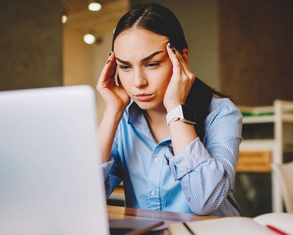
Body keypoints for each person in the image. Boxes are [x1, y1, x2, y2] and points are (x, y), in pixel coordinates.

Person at [97, 3, 242, 216]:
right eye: (125, 67)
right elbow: (82, 198)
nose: (138, 82)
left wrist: (176, 109)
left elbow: (205, 201)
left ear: (182, 58)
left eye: (152, 64)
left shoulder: (222, 114)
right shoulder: (123, 121)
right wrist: (113, 111)